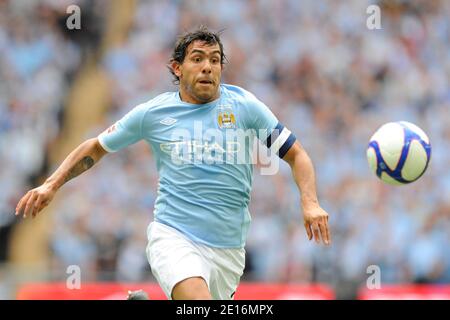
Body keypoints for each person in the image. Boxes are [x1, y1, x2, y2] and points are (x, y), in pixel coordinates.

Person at [15, 26, 331, 300]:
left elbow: (297, 155)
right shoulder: (154, 114)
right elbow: (96, 147)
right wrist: (50, 184)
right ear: (177, 68)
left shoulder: (245, 107)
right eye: (198, 59)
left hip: (229, 250)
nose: (208, 67)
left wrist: (310, 202)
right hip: (174, 236)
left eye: (215, 60)